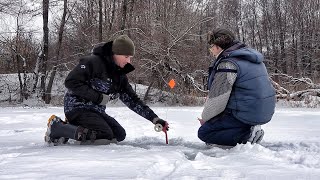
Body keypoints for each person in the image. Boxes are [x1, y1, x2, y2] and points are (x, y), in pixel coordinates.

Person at [45, 35, 169, 145]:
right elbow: (71, 82)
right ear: (115, 54)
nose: (129, 61)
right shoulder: (92, 62)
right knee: (105, 134)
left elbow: (133, 101)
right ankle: (57, 127)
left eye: (130, 57)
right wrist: (97, 97)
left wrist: (155, 119)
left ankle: (74, 128)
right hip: (77, 108)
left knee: (119, 134)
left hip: (96, 112)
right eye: (126, 56)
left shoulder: (119, 76)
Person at [197, 28, 276, 147]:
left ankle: (247, 135)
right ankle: (248, 128)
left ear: (217, 46)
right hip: (262, 110)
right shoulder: (251, 58)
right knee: (216, 123)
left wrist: (205, 118)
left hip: (244, 112)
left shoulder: (228, 63)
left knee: (205, 132)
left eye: (211, 46)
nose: (211, 50)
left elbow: (219, 97)